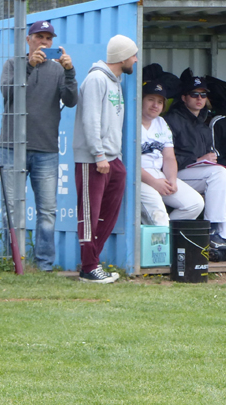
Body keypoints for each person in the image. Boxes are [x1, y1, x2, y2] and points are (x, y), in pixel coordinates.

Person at [0, 20, 78, 272]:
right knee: (11, 208)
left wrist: (70, 71)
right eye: (39, 37)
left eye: (49, 38)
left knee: (47, 210)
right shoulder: (13, 64)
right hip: (13, 147)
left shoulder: (57, 70)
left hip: (46, 149)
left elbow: (71, 100)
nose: (44, 42)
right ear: (28, 40)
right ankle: (12, 261)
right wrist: (29, 67)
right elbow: (8, 94)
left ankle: (44, 265)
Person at [72, 35, 138, 283]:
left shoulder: (116, 82)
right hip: (93, 159)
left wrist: (114, 157)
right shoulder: (96, 79)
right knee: (89, 214)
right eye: (133, 55)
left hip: (113, 159)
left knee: (107, 213)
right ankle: (89, 268)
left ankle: (92, 264)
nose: (135, 59)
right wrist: (99, 154)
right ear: (122, 57)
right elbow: (90, 119)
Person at [165, 72, 226, 251]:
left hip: (197, 175)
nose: (199, 98)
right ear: (184, 97)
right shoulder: (171, 120)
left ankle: (224, 236)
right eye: (194, 94)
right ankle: (211, 230)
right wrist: (196, 160)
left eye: (203, 95)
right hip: (175, 174)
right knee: (217, 173)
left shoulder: (202, 122)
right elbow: (165, 157)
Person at [140, 80, 204, 225]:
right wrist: (154, 183)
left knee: (194, 203)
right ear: (141, 100)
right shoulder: (130, 121)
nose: (155, 105)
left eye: (160, 102)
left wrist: (172, 180)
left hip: (158, 173)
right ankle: (161, 242)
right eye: (150, 100)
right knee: (159, 215)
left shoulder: (161, 122)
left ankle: (169, 239)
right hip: (137, 177)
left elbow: (169, 157)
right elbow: (127, 162)